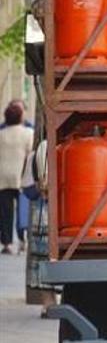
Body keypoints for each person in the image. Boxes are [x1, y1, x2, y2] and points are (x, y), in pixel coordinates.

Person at [0, 103, 34, 254]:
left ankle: (6, 243)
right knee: (23, 210)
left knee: (5, 212)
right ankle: (23, 240)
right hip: (21, 177)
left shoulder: (1, 134)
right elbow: (30, 153)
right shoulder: (28, 133)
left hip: (3, 177)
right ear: (20, 117)